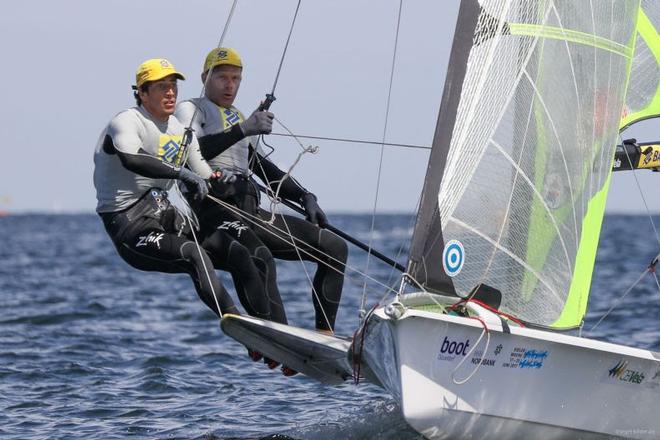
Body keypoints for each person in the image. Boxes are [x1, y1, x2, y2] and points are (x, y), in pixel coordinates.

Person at [175, 48, 348, 339]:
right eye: (222, 78)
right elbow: (187, 154)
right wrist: (244, 129)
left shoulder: (239, 117)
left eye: (236, 78)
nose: (230, 85)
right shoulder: (191, 110)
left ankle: (325, 335)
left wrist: (306, 196)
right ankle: (284, 337)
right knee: (260, 256)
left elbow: (260, 166)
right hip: (214, 209)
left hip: (250, 211)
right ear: (205, 78)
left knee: (335, 248)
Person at [93, 58, 276, 326]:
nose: (170, 93)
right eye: (161, 87)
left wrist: (219, 179)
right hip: (129, 225)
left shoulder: (179, 131)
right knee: (193, 253)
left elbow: (202, 173)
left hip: (164, 214)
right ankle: (240, 324)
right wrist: (181, 173)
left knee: (237, 251)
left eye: (173, 86)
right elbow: (133, 159)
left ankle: (272, 333)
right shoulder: (126, 122)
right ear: (142, 93)